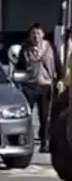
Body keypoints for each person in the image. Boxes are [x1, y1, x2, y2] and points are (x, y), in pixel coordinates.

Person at [16, 23, 62, 153]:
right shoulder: (25, 49)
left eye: (38, 33)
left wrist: (60, 78)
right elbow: (19, 68)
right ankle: (23, 139)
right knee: (26, 114)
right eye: (33, 34)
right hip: (29, 86)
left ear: (43, 34)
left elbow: (58, 64)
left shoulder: (50, 48)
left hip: (45, 85)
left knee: (44, 115)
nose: (35, 36)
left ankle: (44, 141)